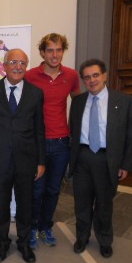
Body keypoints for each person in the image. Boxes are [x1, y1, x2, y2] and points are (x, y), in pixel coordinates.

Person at [69, 59, 132, 258]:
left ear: (105, 75)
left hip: (107, 159)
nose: (92, 80)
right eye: (87, 77)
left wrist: (125, 164)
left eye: (95, 75)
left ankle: (105, 240)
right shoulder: (78, 102)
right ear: (83, 80)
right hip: (82, 158)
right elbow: (73, 131)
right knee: (81, 203)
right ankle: (82, 238)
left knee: (104, 204)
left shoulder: (124, 101)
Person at [0, 49, 46, 263]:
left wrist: (41, 161)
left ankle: (24, 242)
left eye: (22, 63)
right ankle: (2, 242)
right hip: (0, 159)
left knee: (25, 204)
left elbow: (40, 128)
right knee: (1, 204)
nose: (18, 66)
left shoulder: (35, 93)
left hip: (26, 160)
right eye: (13, 62)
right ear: (4, 65)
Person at [24, 33, 80, 249]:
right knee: (36, 190)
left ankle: (45, 226)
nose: (55, 55)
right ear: (42, 53)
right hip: (37, 143)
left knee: (53, 189)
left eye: (58, 50)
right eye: (50, 50)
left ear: (63, 51)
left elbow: (79, 104)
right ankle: (31, 227)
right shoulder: (30, 76)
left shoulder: (72, 75)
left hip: (61, 143)